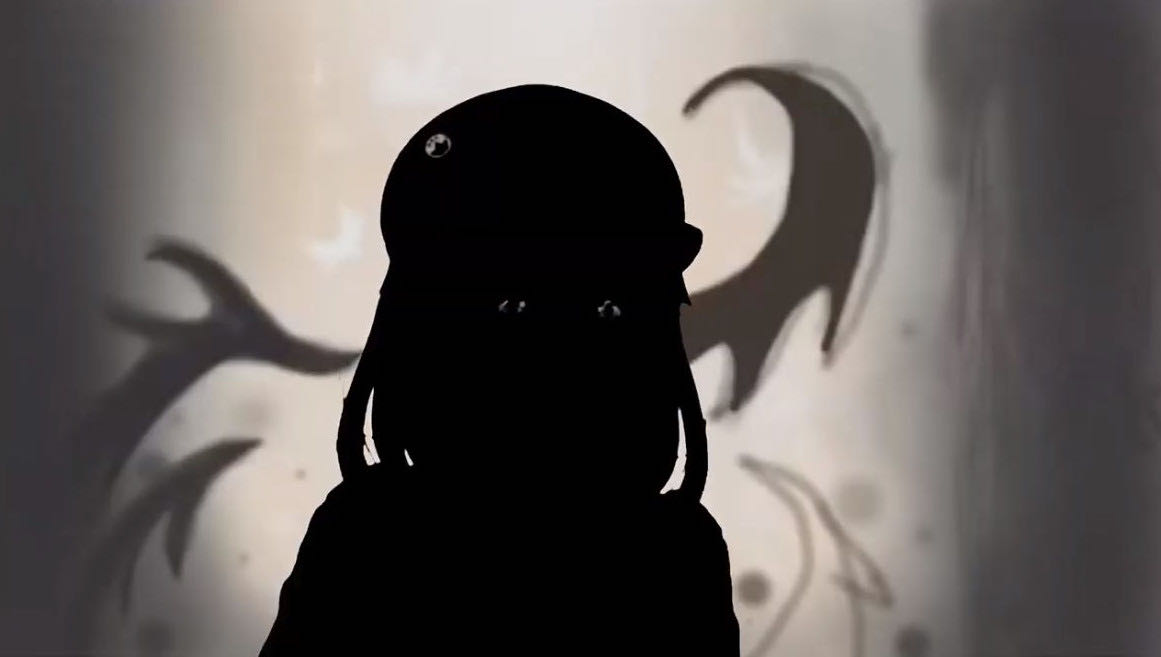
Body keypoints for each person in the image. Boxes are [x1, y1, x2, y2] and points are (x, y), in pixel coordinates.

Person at [258, 83, 739, 656]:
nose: (557, 366)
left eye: (605, 313)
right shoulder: (676, 556)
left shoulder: (364, 536)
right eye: (512, 311)